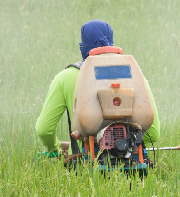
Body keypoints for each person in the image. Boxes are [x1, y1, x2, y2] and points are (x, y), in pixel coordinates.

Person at [35, 20, 160, 157]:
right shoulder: (133, 75)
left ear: (83, 46)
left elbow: (44, 130)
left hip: (82, 162)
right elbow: (153, 133)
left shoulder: (65, 78)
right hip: (131, 162)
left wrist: (55, 149)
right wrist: (127, 143)